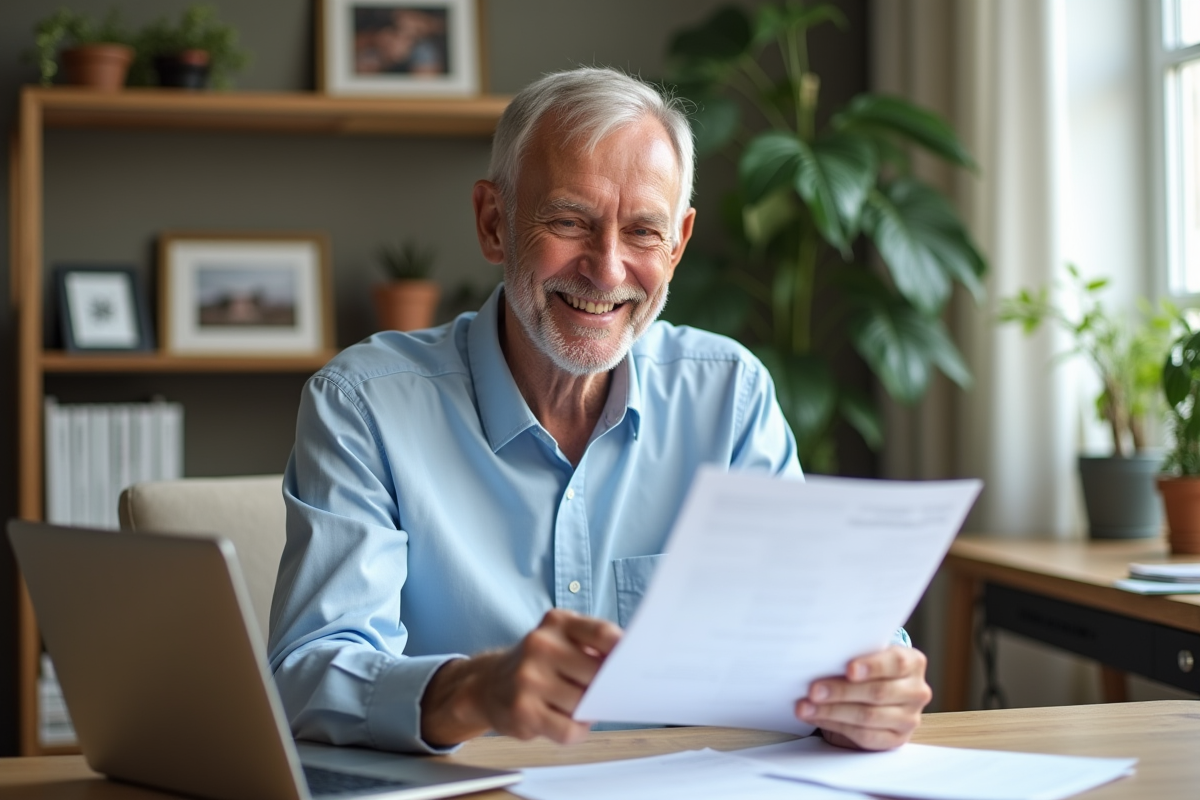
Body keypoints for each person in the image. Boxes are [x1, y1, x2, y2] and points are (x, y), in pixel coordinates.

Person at [267, 66, 932, 756]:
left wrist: (870, 687)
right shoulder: (365, 404)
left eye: (644, 232)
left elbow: (815, 629)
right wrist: (476, 690)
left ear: (677, 246)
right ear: (494, 224)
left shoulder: (730, 394)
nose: (607, 270)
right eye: (568, 221)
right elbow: (307, 674)